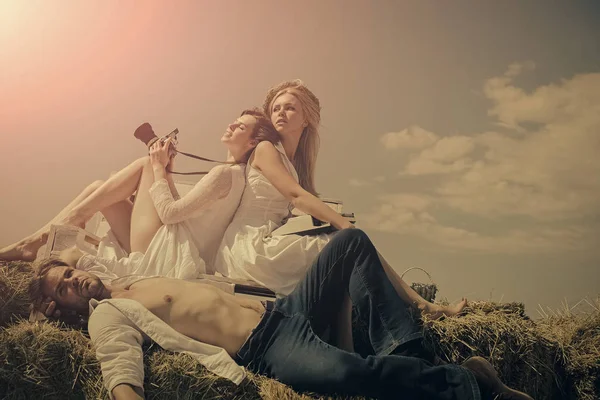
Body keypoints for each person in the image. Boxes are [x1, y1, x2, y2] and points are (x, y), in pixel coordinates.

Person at [29, 229, 533, 400]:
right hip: (265, 347)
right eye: (64, 290)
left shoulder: (139, 273)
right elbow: (118, 365)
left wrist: (53, 264)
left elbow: (66, 246)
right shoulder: (108, 314)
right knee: (339, 373)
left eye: (68, 275)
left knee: (350, 241)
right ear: (63, 307)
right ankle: (472, 387)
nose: (74, 281)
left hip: (286, 309)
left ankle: (413, 361)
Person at [216, 80, 466, 320]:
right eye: (275, 109)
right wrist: (343, 224)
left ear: (306, 120)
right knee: (349, 241)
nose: (281, 113)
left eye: (290, 107)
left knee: (343, 248)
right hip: (250, 247)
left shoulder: (291, 163)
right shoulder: (266, 148)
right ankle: (419, 305)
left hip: (266, 239)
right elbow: (296, 196)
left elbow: (295, 203)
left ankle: (399, 312)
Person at [0, 109, 279, 281]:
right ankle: (46, 238)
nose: (231, 125)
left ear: (253, 142)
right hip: (165, 243)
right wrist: (168, 169)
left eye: (241, 126)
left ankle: (42, 240)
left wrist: (158, 166)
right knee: (97, 188)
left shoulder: (226, 174)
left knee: (145, 164)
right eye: (234, 121)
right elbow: (180, 211)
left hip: (166, 254)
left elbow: (170, 214)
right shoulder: (231, 175)